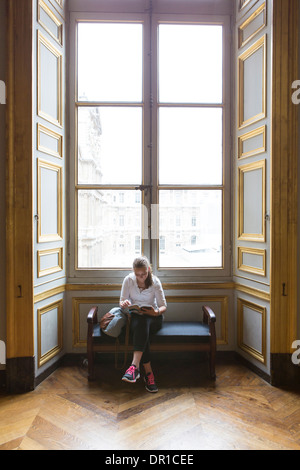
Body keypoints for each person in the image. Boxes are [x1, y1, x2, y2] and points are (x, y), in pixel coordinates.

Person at [120, 256, 167, 393]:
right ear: (133, 272)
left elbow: (163, 306)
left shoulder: (155, 282)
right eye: (137, 274)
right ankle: (149, 374)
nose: (141, 277)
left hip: (154, 318)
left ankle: (134, 367)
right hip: (136, 317)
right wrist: (125, 304)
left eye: (144, 274)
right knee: (141, 325)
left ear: (149, 270)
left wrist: (155, 312)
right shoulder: (128, 280)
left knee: (143, 324)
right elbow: (122, 301)